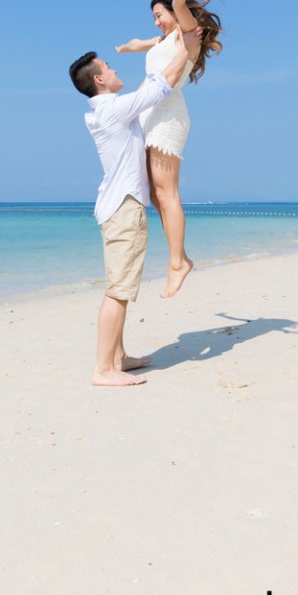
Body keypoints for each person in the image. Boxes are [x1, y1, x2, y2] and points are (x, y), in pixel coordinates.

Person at [69, 28, 191, 387]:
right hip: (124, 207)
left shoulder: (104, 109)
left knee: (118, 285)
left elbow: (146, 93)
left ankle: (119, 357)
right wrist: (188, 44)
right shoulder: (113, 110)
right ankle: (103, 369)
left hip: (114, 206)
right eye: (110, 67)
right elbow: (162, 85)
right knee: (118, 291)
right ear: (100, 79)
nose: (117, 70)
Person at [115, 0, 223, 298]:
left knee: (167, 192)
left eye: (158, 14)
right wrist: (126, 48)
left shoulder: (187, 34)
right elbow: (141, 43)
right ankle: (180, 258)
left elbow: (179, 9)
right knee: (154, 195)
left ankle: (178, 263)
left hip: (167, 117)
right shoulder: (163, 39)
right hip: (150, 117)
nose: (156, 21)